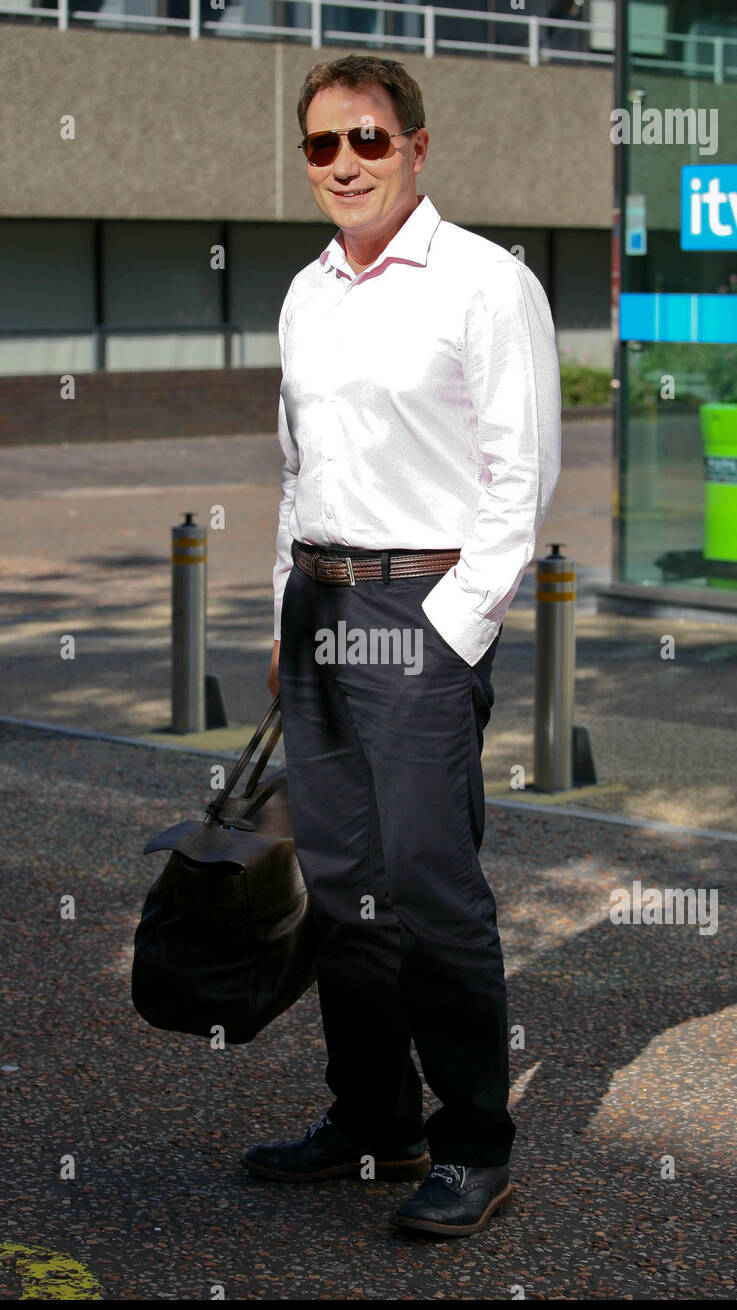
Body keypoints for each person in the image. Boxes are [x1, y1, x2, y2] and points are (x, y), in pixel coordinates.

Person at [243, 52, 561, 1238]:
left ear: (416, 148)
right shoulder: (306, 292)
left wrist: (447, 633)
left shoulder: (482, 283)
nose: (344, 164)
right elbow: (295, 471)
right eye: (322, 145)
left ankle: (474, 1143)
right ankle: (373, 1122)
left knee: (429, 889)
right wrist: (284, 607)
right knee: (342, 890)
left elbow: (516, 481)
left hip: (417, 612)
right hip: (320, 611)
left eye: (367, 140)